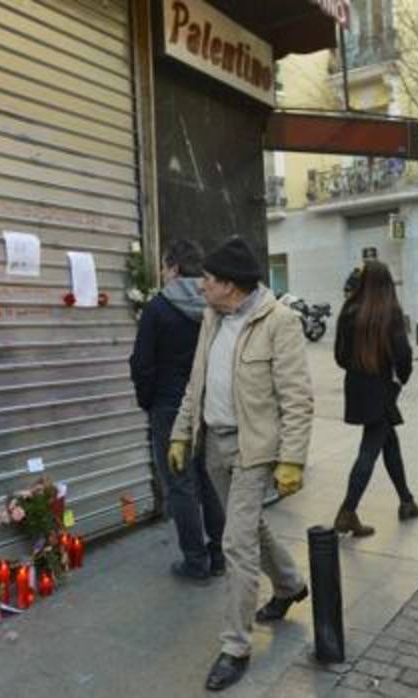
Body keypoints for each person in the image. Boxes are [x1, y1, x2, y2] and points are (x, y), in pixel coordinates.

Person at [168, 236, 314, 692]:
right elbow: (197, 382)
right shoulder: (212, 318)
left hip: (255, 450)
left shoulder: (280, 322)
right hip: (214, 445)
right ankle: (290, 584)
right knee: (247, 526)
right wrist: (180, 431)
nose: (201, 286)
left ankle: (235, 646)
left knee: (235, 543)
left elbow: (297, 397)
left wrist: (291, 458)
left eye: (208, 280)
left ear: (230, 285)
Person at [129, 239, 226, 583]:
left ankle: (195, 562)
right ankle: (218, 556)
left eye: (164, 267)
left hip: (169, 406)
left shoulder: (158, 308)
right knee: (208, 479)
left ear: (172, 267)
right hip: (208, 403)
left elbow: (142, 364)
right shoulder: (214, 306)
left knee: (180, 483)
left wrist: (149, 402)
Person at [333, 260, 418, 537]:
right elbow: (404, 357)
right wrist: (399, 380)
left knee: (387, 441)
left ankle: (406, 501)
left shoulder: (348, 310)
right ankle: (347, 511)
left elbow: (340, 356)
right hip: (382, 388)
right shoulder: (389, 312)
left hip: (358, 387)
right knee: (369, 449)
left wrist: (359, 370)